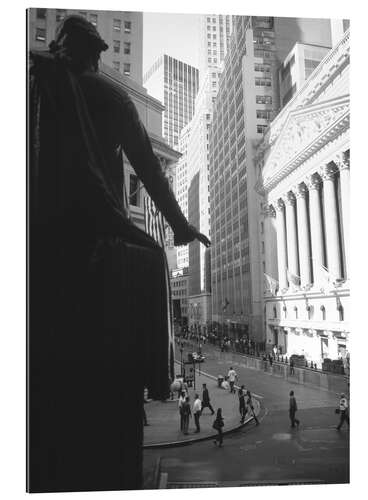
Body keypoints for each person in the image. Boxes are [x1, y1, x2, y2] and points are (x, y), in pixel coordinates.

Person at [28, 15, 210, 494]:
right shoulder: (109, 96)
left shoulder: (34, 80)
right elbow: (150, 170)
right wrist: (178, 227)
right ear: (96, 54)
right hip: (93, 224)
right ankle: (154, 378)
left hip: (35, 230)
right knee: (152, 261)